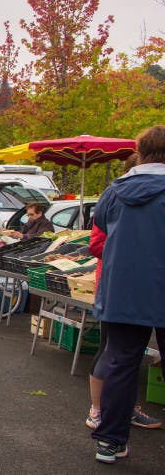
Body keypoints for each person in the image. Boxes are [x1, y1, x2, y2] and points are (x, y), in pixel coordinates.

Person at [90, 126, 165, 463]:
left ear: (140, 149)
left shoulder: (115, 190)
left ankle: (110, 441)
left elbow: (102, 225)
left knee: (121, 363)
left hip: (123, 290)